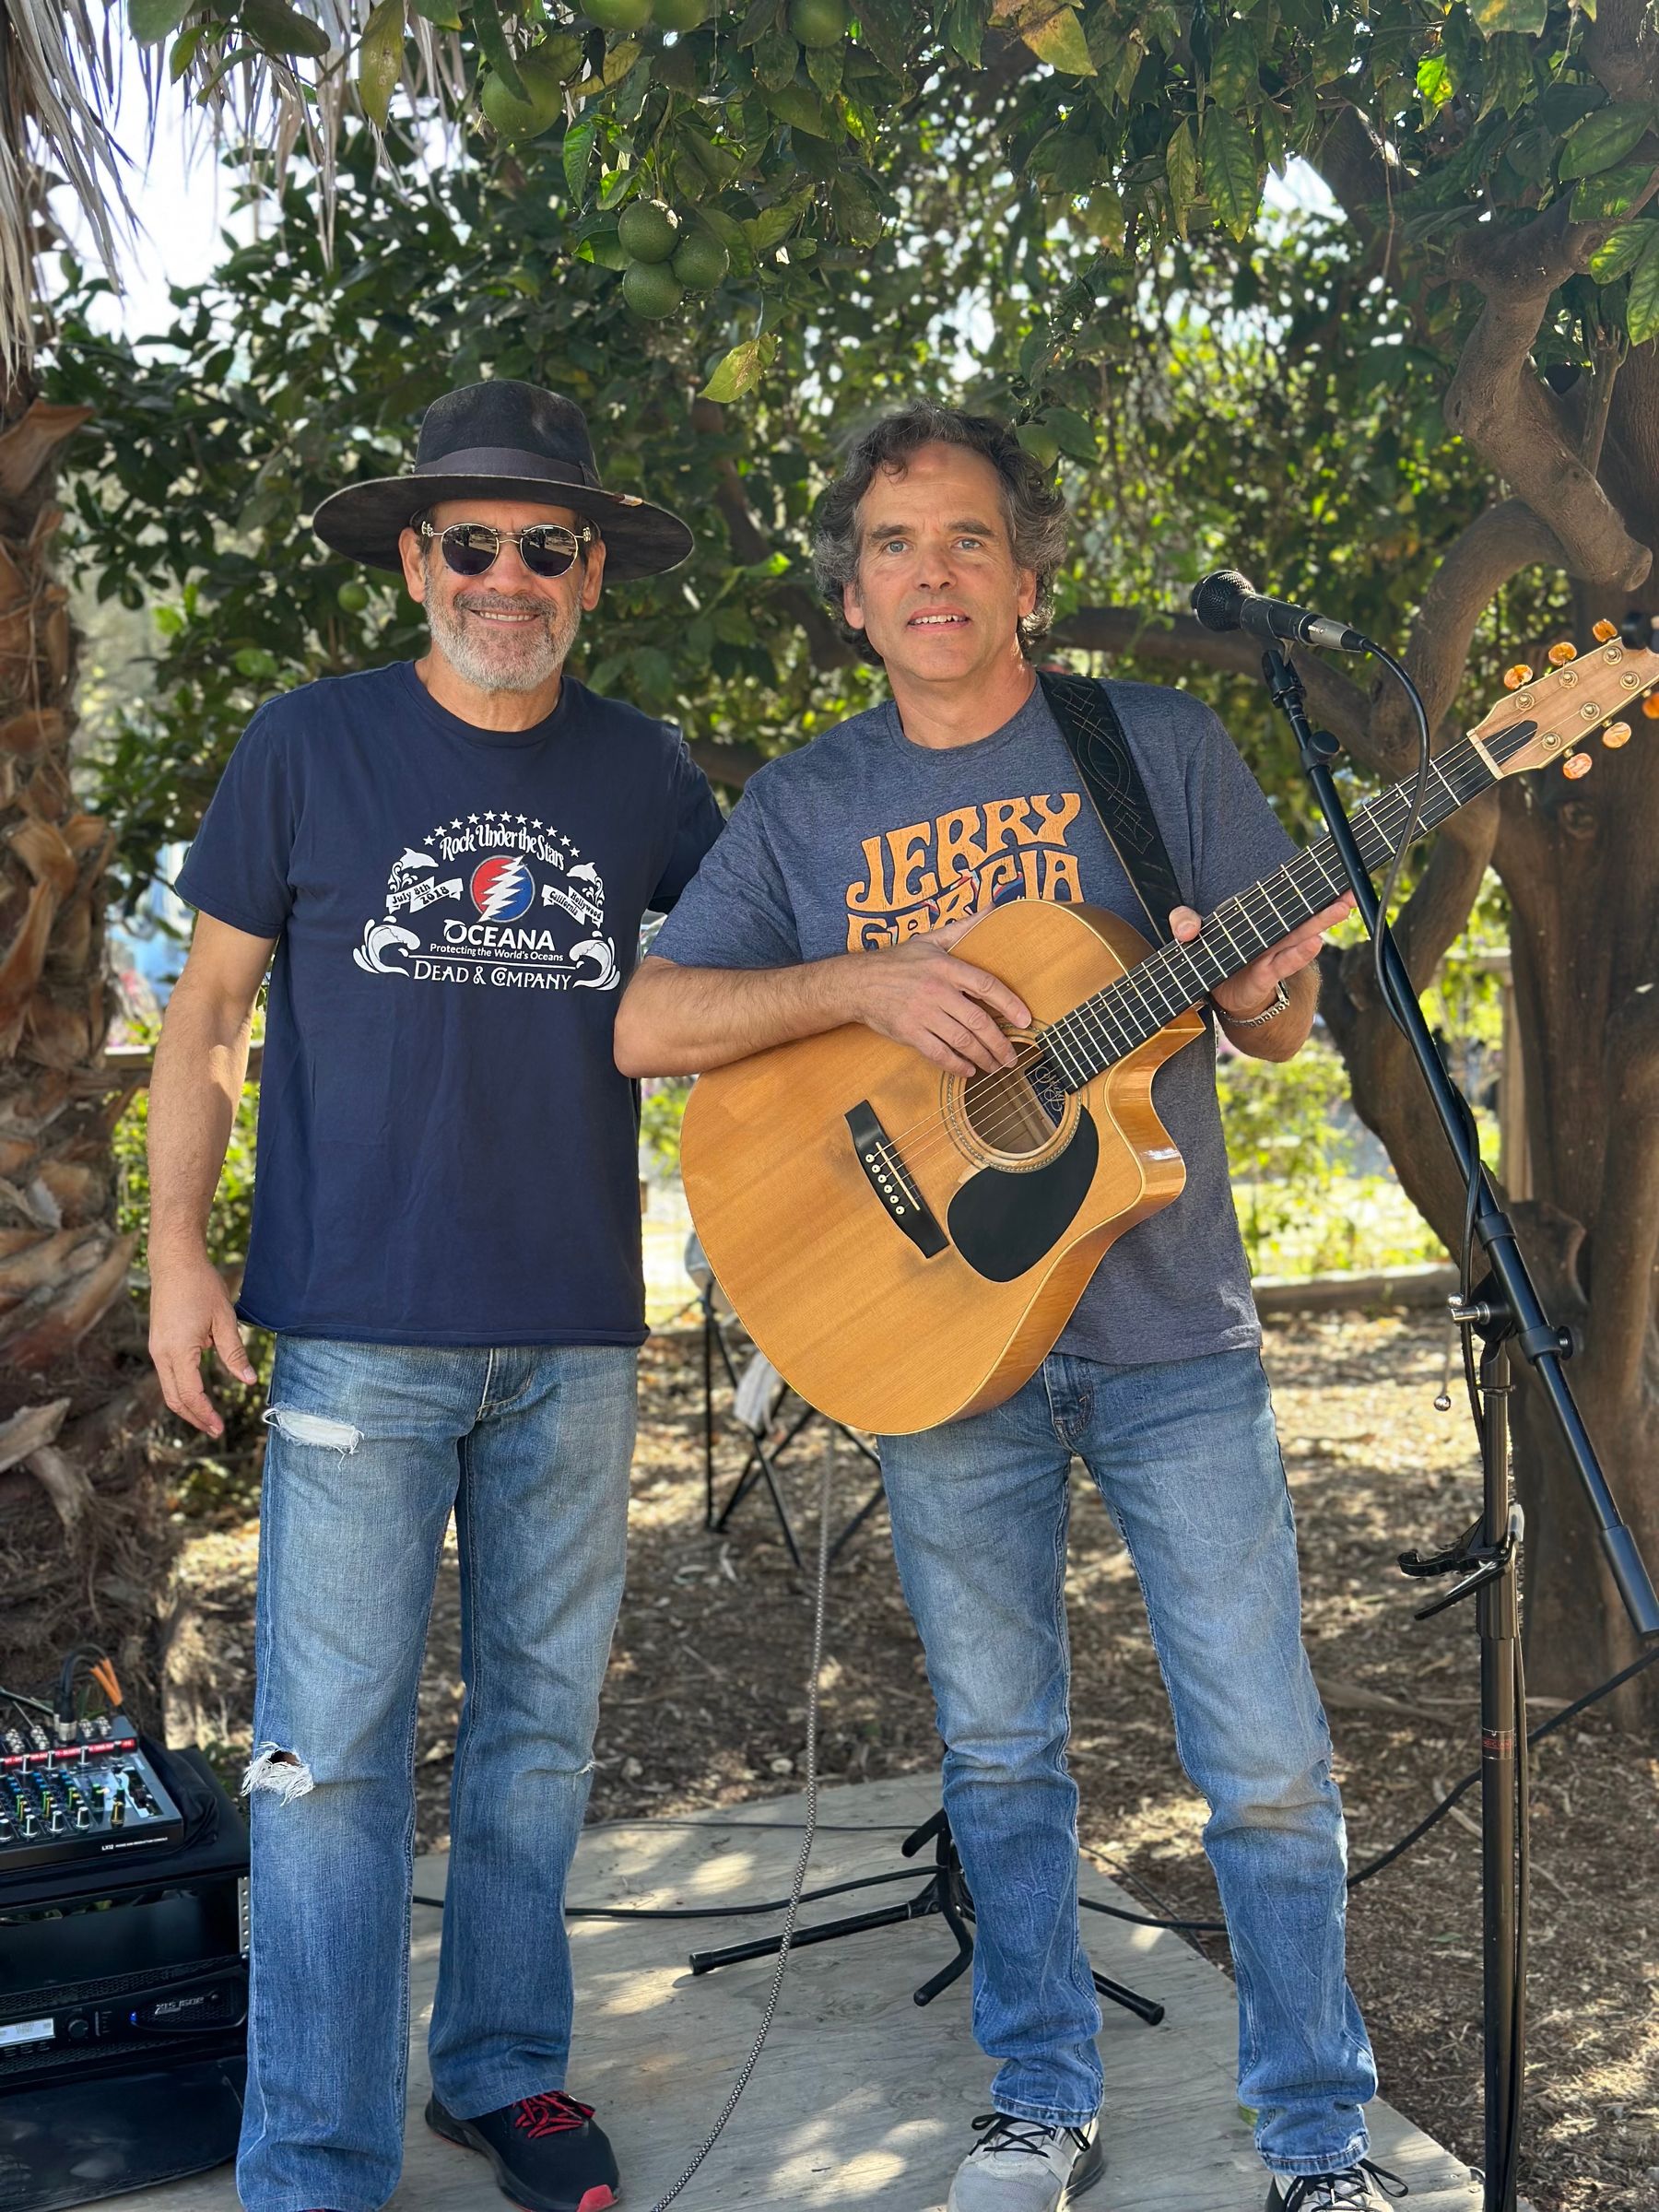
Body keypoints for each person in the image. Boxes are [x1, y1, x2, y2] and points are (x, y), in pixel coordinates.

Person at [613, 404, 1396, 2212]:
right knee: (999, 1752)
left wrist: (1268, 989)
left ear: (1028, 576)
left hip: (1171, 1341)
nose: (933, 573)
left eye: (967, 539)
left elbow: (1269, 1025)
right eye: (895, 547)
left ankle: (1315, 2142)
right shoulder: (809, 805)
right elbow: (649, 1028)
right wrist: (865, 984)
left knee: (1264, 1760)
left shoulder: (1157, 747)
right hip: (940, 1345)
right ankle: (1038, 2101)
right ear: (855, 596)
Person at [147, 379, 723, 2212]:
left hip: (574, 1332)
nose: (506, 574)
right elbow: (206, 1024)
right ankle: (315, 2150)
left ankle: (502, 2072)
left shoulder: (648, 775)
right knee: (323, 1764)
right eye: (468, 541)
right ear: (413, 560)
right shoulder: (306, 747)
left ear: (592, 572)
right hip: (355, 1331)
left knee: (541, 1730)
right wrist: (177, 1254)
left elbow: (741, 1016)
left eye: (544, 545)